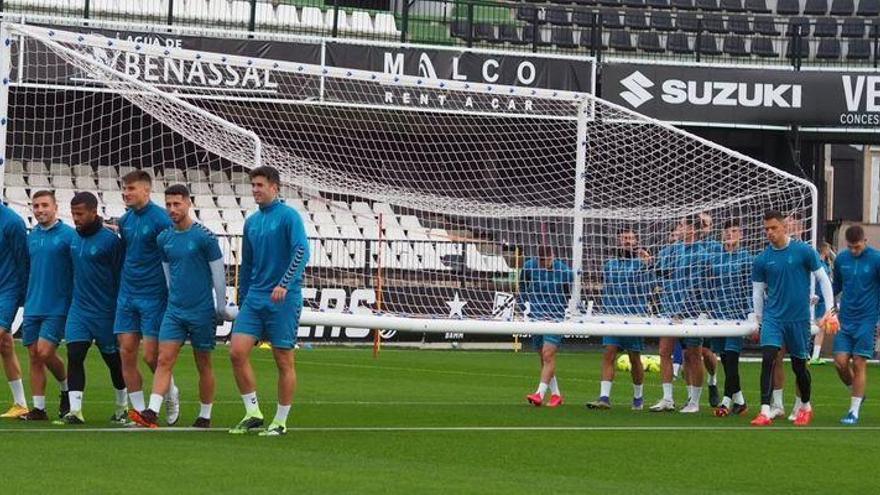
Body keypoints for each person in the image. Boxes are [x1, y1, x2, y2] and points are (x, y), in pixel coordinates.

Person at [131, 185, 232, 429]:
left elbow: (218, 274)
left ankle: (205, 414)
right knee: (163, 359)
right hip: (175, 310)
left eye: (177, 204)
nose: (172, 209)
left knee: (203, 363)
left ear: (188, 203)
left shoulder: (205, 237)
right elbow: (168, 276)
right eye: (168, 204)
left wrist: (220, 305)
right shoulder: (164, 238)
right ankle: (152, 411)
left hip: (201, 310)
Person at [229, 166, 310, 436]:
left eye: (260, 185)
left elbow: (301, 251)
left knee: (283, 359)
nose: (255, 190)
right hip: (256, 298)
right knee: (237, 351)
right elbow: (248, 262)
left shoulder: (289, 217)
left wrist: (284, 284)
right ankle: (253, 412)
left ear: (275, 187)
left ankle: (280, 420)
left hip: (283, 298)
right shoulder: (251, 222)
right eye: (253, 185)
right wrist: (243, 297)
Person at [750, 210, 835, 427]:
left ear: (784, 227)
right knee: (768, 359)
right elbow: (758, 292)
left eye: (774, 228)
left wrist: (830, 309)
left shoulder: (803, 251)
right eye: (766, 229)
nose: (770, 232)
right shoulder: (762, 259)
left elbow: (823, 280)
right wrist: (759, 319)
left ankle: (805, 406)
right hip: (773, 318)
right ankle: (765, 410)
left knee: (799, 366)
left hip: (798, 319)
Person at [55, 192, 128, 425]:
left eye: (80, 214)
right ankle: (75, 411)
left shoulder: (110, 241)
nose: (75, 218)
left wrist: (119, 309)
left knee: (113, 362)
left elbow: (119, 276)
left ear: (93, 212)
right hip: (79, 310)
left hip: (106, 312)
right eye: (73, 213)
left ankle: (122, 406)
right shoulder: (74, 239)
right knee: (75, 355)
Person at [115, 170, 179, 425]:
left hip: (154, 295)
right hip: (128, 293)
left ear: (146, 190)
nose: (126, 193)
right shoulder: (125, 220)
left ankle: (171, 391)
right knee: (127, 352)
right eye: (124, 189)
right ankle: (140, 412)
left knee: (151, 356)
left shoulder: (162, 220)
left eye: (131, 188)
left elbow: (171, 257)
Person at [19, 191, 74, 421]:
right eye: (36, 206)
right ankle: (39, 408)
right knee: (34, 355)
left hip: (57, 305)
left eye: (44, 205)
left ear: (55, 207)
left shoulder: (69, 236)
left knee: (44, 351)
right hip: (33, 304)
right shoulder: (31, 237)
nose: (40, 210)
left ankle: (66, 388)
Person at [586, 228, 653, 410]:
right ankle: (604, 397)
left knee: (634, 358)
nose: (628, 241)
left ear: (636, 241)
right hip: (612, 317)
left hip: (634, 318)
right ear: (618, 241)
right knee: (609, 353)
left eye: (631, 238)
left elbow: (652, 285)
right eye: (624, 238)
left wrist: (650, 264)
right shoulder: (610, 265)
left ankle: (638, 397)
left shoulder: (642, 264)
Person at [651, 216, 709, 413]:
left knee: (693, 356)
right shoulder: (671, 250)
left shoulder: (702, 252)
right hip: (670, 308)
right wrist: (650, 262)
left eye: (683, 225)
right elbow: (661, 272)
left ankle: (694, 401)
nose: (679, 229)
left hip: (692, 311)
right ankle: (667, 398)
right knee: (664, 351)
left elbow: (704, 280)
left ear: (692, 229)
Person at [830, 225, 880, 424]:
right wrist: (825, 304)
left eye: (857, 247)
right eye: (850, 247)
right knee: (840, 363)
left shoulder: (876, 259)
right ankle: (858, 393)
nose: (853, 251)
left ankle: (854, 411)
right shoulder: (841, 259)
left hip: (867, 320)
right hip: (846, 319)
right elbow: (836, 286)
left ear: (865, 241)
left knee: (859, 362)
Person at [707, 220, 752, 417]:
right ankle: (740, 401)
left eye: (734, 231)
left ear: (741, 234)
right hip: (719, 314)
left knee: (732, 358)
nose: (729, 235)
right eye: (726, 231)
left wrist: (752, 314)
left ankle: (725, 401)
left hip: (738, 316)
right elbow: (710, 285)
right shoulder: (716, 258)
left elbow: (750, 289)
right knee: (724, 359)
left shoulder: (746, 258)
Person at [523, 244, 573, 408]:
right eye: (542, 261)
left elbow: (570, 294)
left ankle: (539, 394)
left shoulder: (565, 272)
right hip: (536, 317)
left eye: (548, 260)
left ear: (553, 256)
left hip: (555, 318)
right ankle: (556, 395)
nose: (545, 263)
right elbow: (522, 286)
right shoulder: (529, 266)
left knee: (548, 354)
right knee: (544, 358)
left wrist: (565, 310)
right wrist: (525, 306)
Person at [0, 201, 29, 418]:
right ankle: (20, 404)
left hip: (7, 290)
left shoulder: (13, 222)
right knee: (5, 344)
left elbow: (23, 261)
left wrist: (23, 296)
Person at [809, 242, 835, 365]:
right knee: (819, 328)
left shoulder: (826, 263)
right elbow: (819, 281)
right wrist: (817, 294)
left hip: (823, 300)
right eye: (829, 248)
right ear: (825, 249)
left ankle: (814, 355)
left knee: (819, 329)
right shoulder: (819, 265)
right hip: (819, 300)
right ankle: (813, 356)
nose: (830, 251)